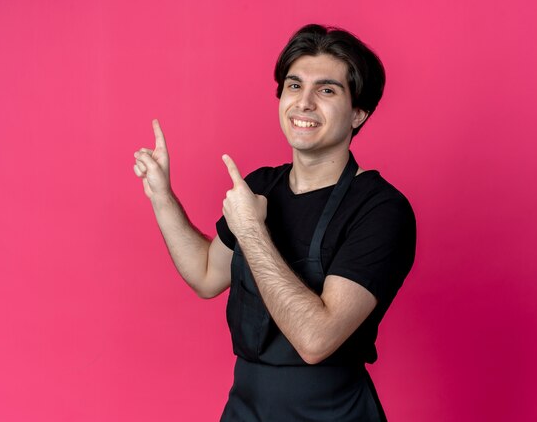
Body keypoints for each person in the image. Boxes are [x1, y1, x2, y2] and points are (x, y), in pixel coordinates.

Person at [133, 24, 416, 422]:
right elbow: (205, 276)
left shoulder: (380, 210)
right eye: (294, 86)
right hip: (246, 409)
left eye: (327, 90)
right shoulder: (261, 185)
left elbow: (316, 339)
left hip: (331, 411)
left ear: (358, 112)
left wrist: (251, 230)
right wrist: (162, 196)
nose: (304, 103)